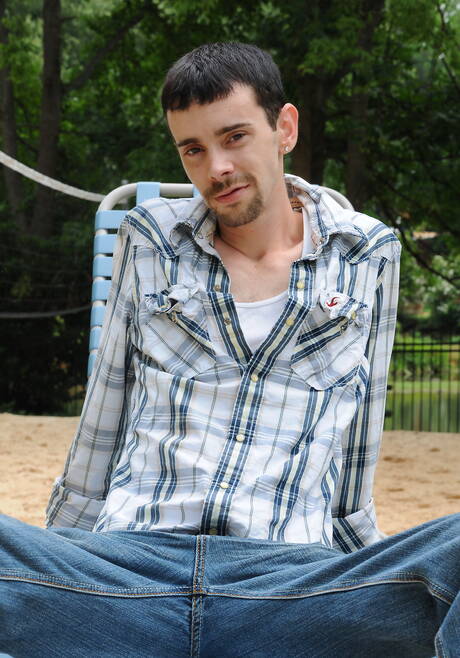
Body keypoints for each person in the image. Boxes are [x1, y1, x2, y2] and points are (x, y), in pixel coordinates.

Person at [0, 42, 458, 657]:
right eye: (193, 149)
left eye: (235, 137)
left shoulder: (367, 254)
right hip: (129, 577)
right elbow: (101, 426)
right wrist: (63, 560)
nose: (216, 167)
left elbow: (356, 457)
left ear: (284, 128)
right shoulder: (151, 238)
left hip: (287, 590)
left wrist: (365, 578)